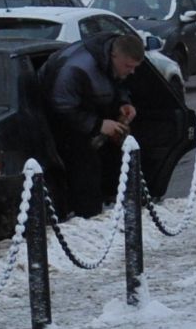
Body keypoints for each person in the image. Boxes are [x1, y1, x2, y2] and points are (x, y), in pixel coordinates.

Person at [40, 30, 144, 220]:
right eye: (129, 66)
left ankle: (108, 207)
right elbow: (60, 109)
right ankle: (87, 218)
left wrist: (123, 103)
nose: (132, 71)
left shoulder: (110, 59)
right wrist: (98, 125)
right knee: (85, 169)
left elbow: (115, 83)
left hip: (86, 118)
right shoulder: (76, 69)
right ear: (115, 55)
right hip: (62, 129)